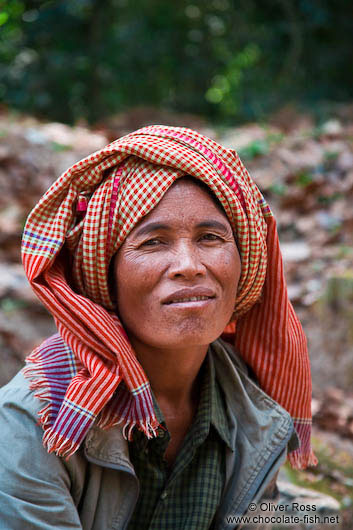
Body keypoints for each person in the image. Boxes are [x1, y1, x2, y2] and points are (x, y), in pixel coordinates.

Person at [0, 125, 316, 529]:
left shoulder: (254, 408)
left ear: (245, 262)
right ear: (105, 275)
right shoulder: (35, 422)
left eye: (210, 237)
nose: (189, 265)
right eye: (153, 242)